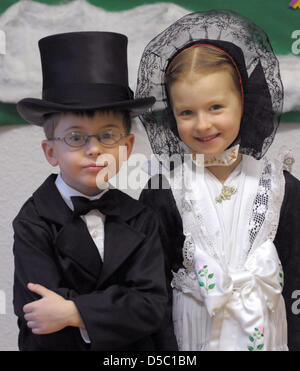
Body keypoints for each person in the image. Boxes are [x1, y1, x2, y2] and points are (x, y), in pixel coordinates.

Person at [136, 9, 300, 351]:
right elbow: (151, 290)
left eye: (215, 107)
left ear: (245, 103)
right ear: (171, 116)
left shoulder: (284, 187)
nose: (203, 125)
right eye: (187, 112)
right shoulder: (162, 192)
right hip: (191, 338)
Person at [13, 31, 176, 351]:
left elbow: (151, 307)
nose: (94, 149)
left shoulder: (142, 217)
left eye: (108, 136)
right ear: (50, 152)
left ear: (127, 147)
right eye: (76, 138)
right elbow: (39, 316)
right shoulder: (33, 221)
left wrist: (74, 311)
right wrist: (117, 311)